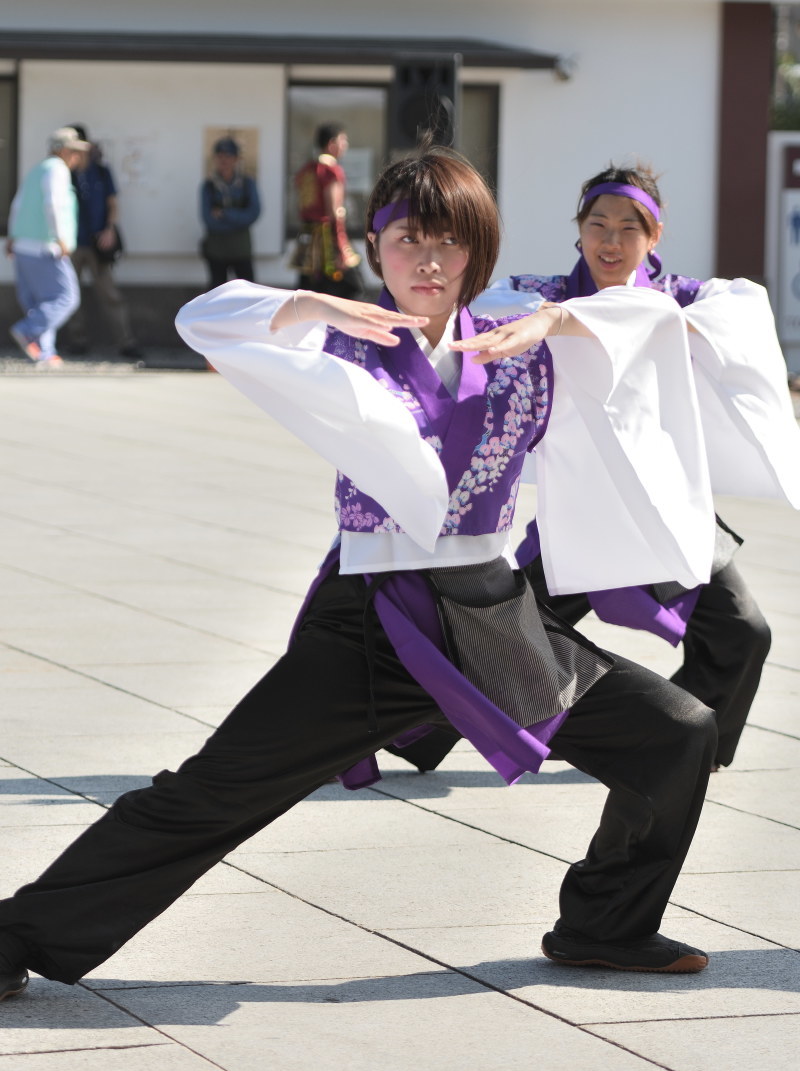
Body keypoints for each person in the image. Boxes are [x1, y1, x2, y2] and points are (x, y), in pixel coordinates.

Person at [0, 146, 720, 1006]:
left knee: (676, 732)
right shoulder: (344, 335)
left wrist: (566, 324)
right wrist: (304, 302)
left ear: (477, 253)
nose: (428, 262)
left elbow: (676, 323)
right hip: (376, 622)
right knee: (212, 793)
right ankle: (14, 936)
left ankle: (605, 923)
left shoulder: (521, 330)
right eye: (407, 240)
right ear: (373, 245)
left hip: (493, 614)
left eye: (450, 244)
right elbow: (208, 318)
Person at [395, 163, 800, 775]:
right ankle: (416, 733)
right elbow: (470, 313)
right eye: (597, 225)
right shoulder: (540, 297)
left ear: (654, 235)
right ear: (578, 231)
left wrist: (638, 320)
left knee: (742, 630)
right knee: (503, 637)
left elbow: (742, 312)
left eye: (627, 229)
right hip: (580, 512)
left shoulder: (679, 301)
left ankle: (690, 751)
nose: (610, 242)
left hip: (662, 507)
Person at [6, 126, 90, 368]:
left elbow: (17, 204)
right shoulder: (57, 170)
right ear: (62, 150)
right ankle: (27, 331)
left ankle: (45, 353)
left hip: (23, 246)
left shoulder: (37, 169)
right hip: (45, 246)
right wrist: (60, 237)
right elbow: (52, 203)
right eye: (74, 151)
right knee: (66, 298)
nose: (77, 157)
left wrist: (12, 236)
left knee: (40, 304)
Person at [63, 124, 142, 360]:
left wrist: (110, 230)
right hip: (71, 242)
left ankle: (126, 342)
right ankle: (78, 341)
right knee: (69, 295)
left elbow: (113, 203)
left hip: (98, 242)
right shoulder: (64, 172)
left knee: (110, 294)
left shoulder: (100, 170)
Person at [291, 122, 362, 298]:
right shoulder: (330, 170)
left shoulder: (307, 169)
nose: (345, 145)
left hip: (307, 241)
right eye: (342, 140)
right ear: (332, 144)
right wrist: (340, 245)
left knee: (308, 291)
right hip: (326, 241)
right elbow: (333, 211)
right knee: (353, 288)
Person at [200, 136, 261, 288]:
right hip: (216, 251)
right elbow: (208, 220)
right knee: (217, 295)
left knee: (248, 294)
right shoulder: (208, 186)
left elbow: (253, 213)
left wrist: (225, 214)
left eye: (228, 156)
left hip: (241, 250)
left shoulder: (247, 183)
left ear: (236, 159)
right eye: (220, 156)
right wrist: (238, 220)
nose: (224, 161)